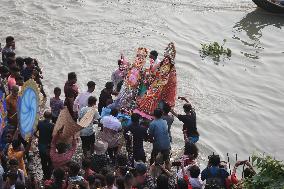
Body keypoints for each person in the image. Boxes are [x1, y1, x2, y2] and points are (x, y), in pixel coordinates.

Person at [34, 111, 54, 180]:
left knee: (43, 161)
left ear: (44, 116)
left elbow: (34, 132)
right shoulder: (52, 125)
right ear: (51, 117)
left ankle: (45, 175)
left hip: (41, 146)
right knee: (50, 161)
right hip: (49, 146)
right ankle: (49, 174)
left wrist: (38, 137)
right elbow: (54, 137)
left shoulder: (39, 123)